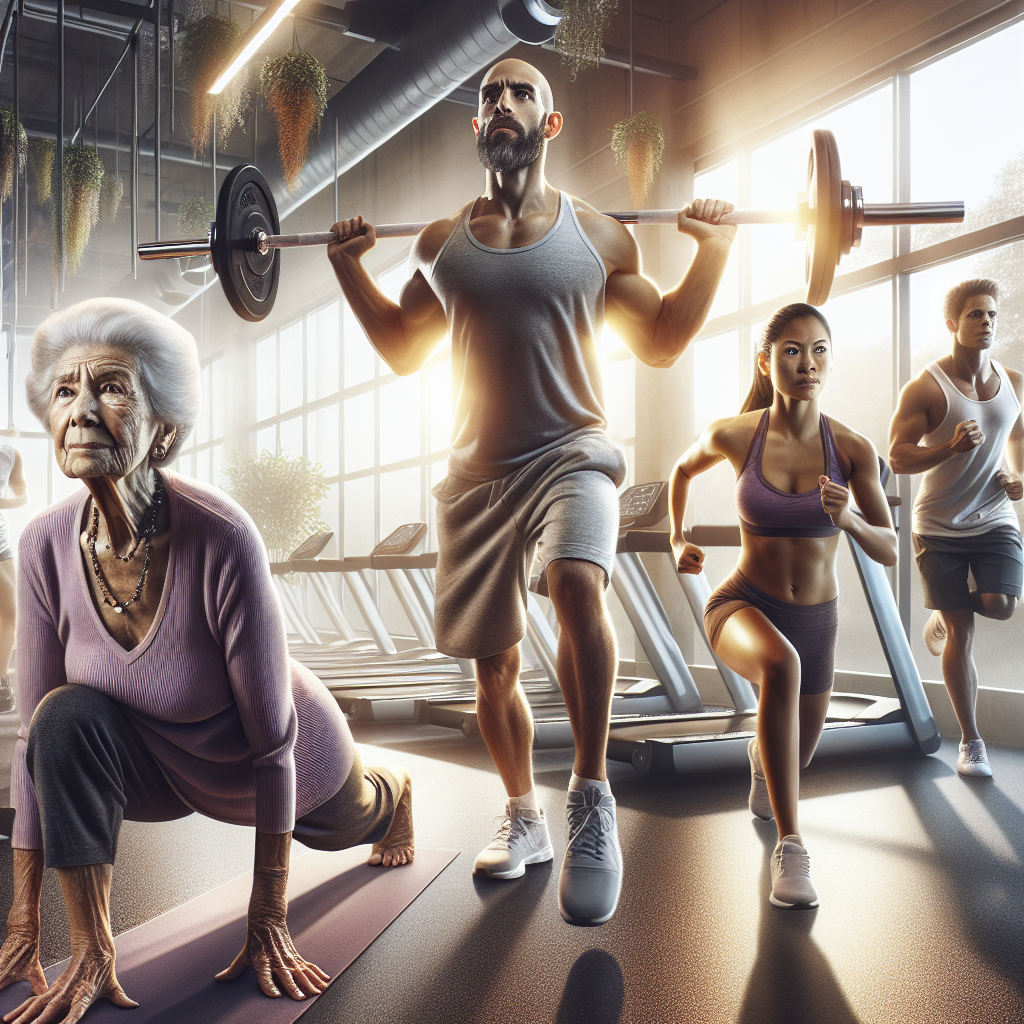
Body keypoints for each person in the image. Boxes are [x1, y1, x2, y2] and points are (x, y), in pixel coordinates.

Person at [326, 57, 736, 927]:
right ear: (477, 128)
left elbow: (661, 340)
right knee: (495, 665)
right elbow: (404, 350)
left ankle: (590, 802)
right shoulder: (442, 243)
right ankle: (524, 815)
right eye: (489, 97)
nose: (502, 104)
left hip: (573, 452)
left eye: (521, 94)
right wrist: (349, 270)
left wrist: (716, 255)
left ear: (550, 126)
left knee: (579, 585)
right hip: (475, 475)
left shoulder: (596, 235)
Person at [0, 298, 415, 1023]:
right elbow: (37, 742)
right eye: (66, 390)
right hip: (152, 766)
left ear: (164, 428)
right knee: (60, 721)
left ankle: (396, 790)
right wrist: (23, 924)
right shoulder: (41, 546)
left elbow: (275, 743)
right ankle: (96, 954)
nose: (83, 410)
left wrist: (270, 915)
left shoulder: (222, 535)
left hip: (266, 751)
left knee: (354, 819)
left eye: (112, 387)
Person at [669, 303, 897, 908]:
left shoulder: (851, 448)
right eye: (792, 350)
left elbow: (891, 548)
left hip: (816, 619)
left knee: (789, 766)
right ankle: (792, 848)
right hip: (742, 602)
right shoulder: (735, 433)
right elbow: (680, 471)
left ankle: (761, 762)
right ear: (766, 361)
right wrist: (677, 537)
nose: (807, 362)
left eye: (819, 349)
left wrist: (848, 517)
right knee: (780, 665)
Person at [888, 279, 1023, 779]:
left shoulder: (1013, 380)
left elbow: (1019, 437)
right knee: (964, 632)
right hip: (938, 526)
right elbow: (897, 456)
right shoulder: (926, 387)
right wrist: (947, 449)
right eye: (974, 315)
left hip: (994, 519)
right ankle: (972, 741)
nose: (985, 322)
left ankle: (943, 617)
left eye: (991, 314)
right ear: (952, 324)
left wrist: (1019, 477)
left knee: (1000, 606)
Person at [0, 444, 28, 713]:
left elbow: (22, 496)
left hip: (1, 541)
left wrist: (2, 502)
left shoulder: (9, 452)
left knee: (10, 614)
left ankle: (0, 683)